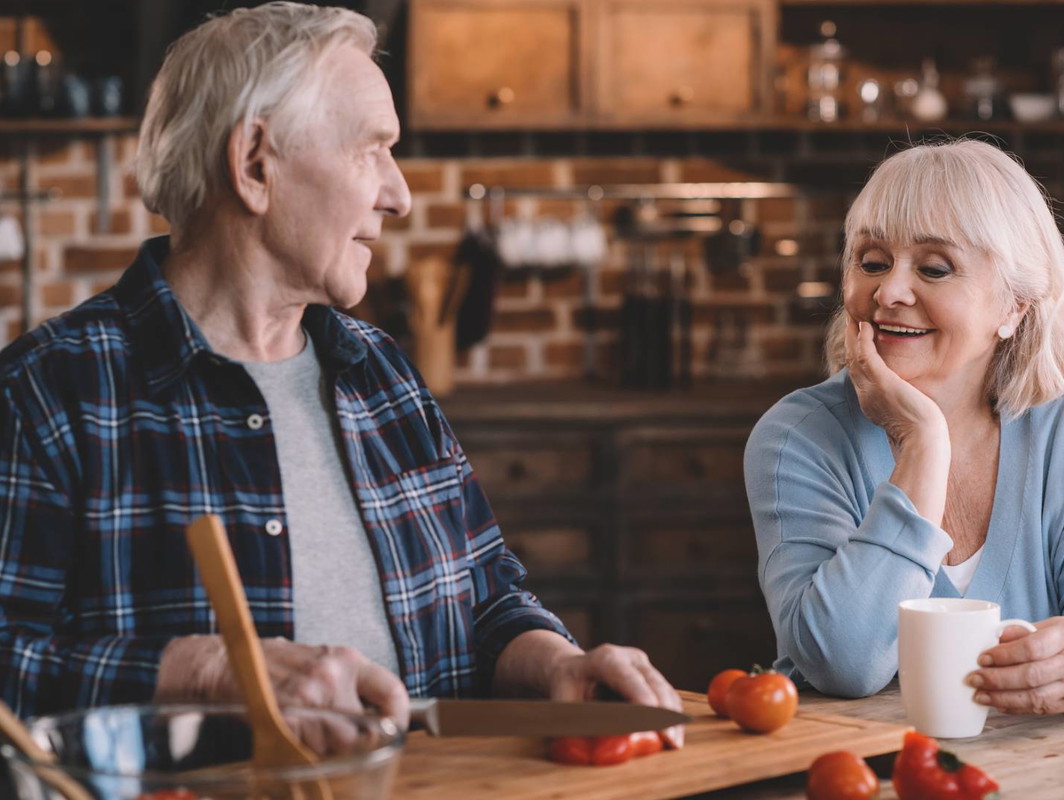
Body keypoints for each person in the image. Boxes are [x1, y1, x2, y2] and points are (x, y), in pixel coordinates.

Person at [0, 2, 683, 746]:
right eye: (371, 151)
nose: (400, 194)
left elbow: (486, 597)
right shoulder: (45, 395)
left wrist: (555, 662)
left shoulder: (380, 373)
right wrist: (209, 673)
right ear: (255, 163)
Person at [745, 139, 1064, 715]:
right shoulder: (799, 437)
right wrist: (922, 444)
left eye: (934, 268)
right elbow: (843, 662)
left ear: (1013, 308)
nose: (889, 292)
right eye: (871, 262)